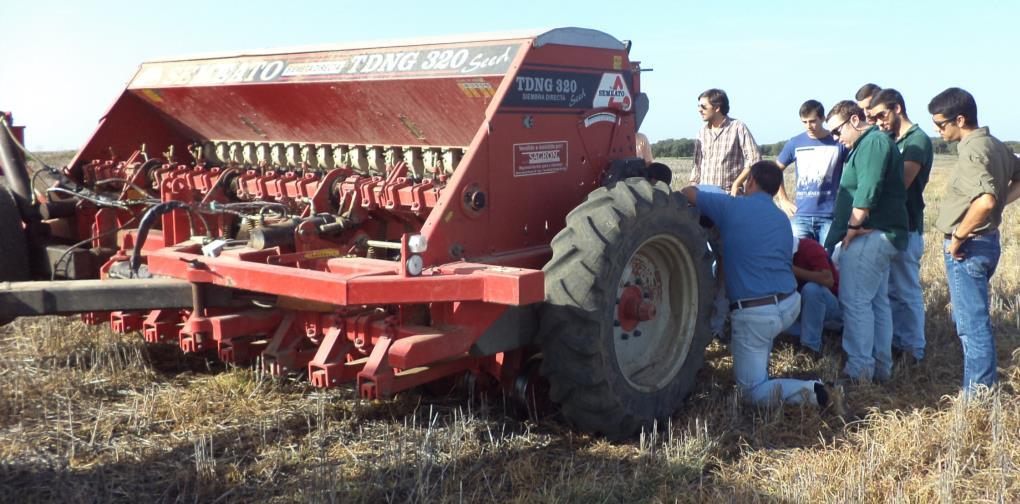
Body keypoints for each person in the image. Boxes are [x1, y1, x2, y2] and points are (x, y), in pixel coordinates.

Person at [680, 161, 830, 408]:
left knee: (751, 392)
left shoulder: (732, 206)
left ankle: (812, 392)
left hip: (757, 315)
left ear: (750, 181)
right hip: (790, 304)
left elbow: (688, 193)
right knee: (764, 333)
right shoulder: (782, 218)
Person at [928, 87, 1020, 394]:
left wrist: (958, 237)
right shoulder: (993, 143)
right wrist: (1002, 200)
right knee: (974, 320)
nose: (937, 130)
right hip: (987, 241)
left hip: (969, 247)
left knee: (971, 326)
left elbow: (985, 201)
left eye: (941, 124)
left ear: (960, 119)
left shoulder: (972, 150)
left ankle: (979, 394)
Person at [824, 100, 908, 384]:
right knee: (876, 303)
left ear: (856, 120)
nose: (836, 138)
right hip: (880, 234)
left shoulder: (872, 143)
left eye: (837, 131)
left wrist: (851, 227)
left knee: (855, 301)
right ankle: (881, 369)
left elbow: (867, 190)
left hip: (871, 234)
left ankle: (858, 370)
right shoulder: (870, 143)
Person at [868, 88, 933, 363]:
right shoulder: (893, 139)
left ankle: (914, 349)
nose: (879, 122)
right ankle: (897, 342)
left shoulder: (916, 141)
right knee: (891, 291)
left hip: (907, 226)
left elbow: (899, 185)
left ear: (897, 108)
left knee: (906, 291)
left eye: (881, 115)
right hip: (891, 228)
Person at [774, 100, 848, 245]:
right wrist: (783, 199)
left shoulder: (839, 142)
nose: (809, 126)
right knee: (799, 260)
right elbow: (775, 170)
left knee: (828, 261)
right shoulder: (795, 143)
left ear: (823, 118)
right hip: (800, 216)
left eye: (813, 121)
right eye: (805, 122)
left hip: (830, 216)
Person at [690, 88, 763, 196]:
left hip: (728, 196)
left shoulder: (737, 127)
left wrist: (736, 184)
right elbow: (697, 168)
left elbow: (755, 159)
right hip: (704, 197)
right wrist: (692, 192)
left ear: (717, 108)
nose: (700, 110)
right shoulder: (702, 132)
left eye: (703, 106)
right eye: (698, 106)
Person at [786, 236, 842, 356]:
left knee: (812, 289)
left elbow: (828, 280)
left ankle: (810, 348)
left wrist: (790, 269)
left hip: (832, 307)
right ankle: (818, 335)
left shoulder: (810, 247)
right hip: (803, 307)